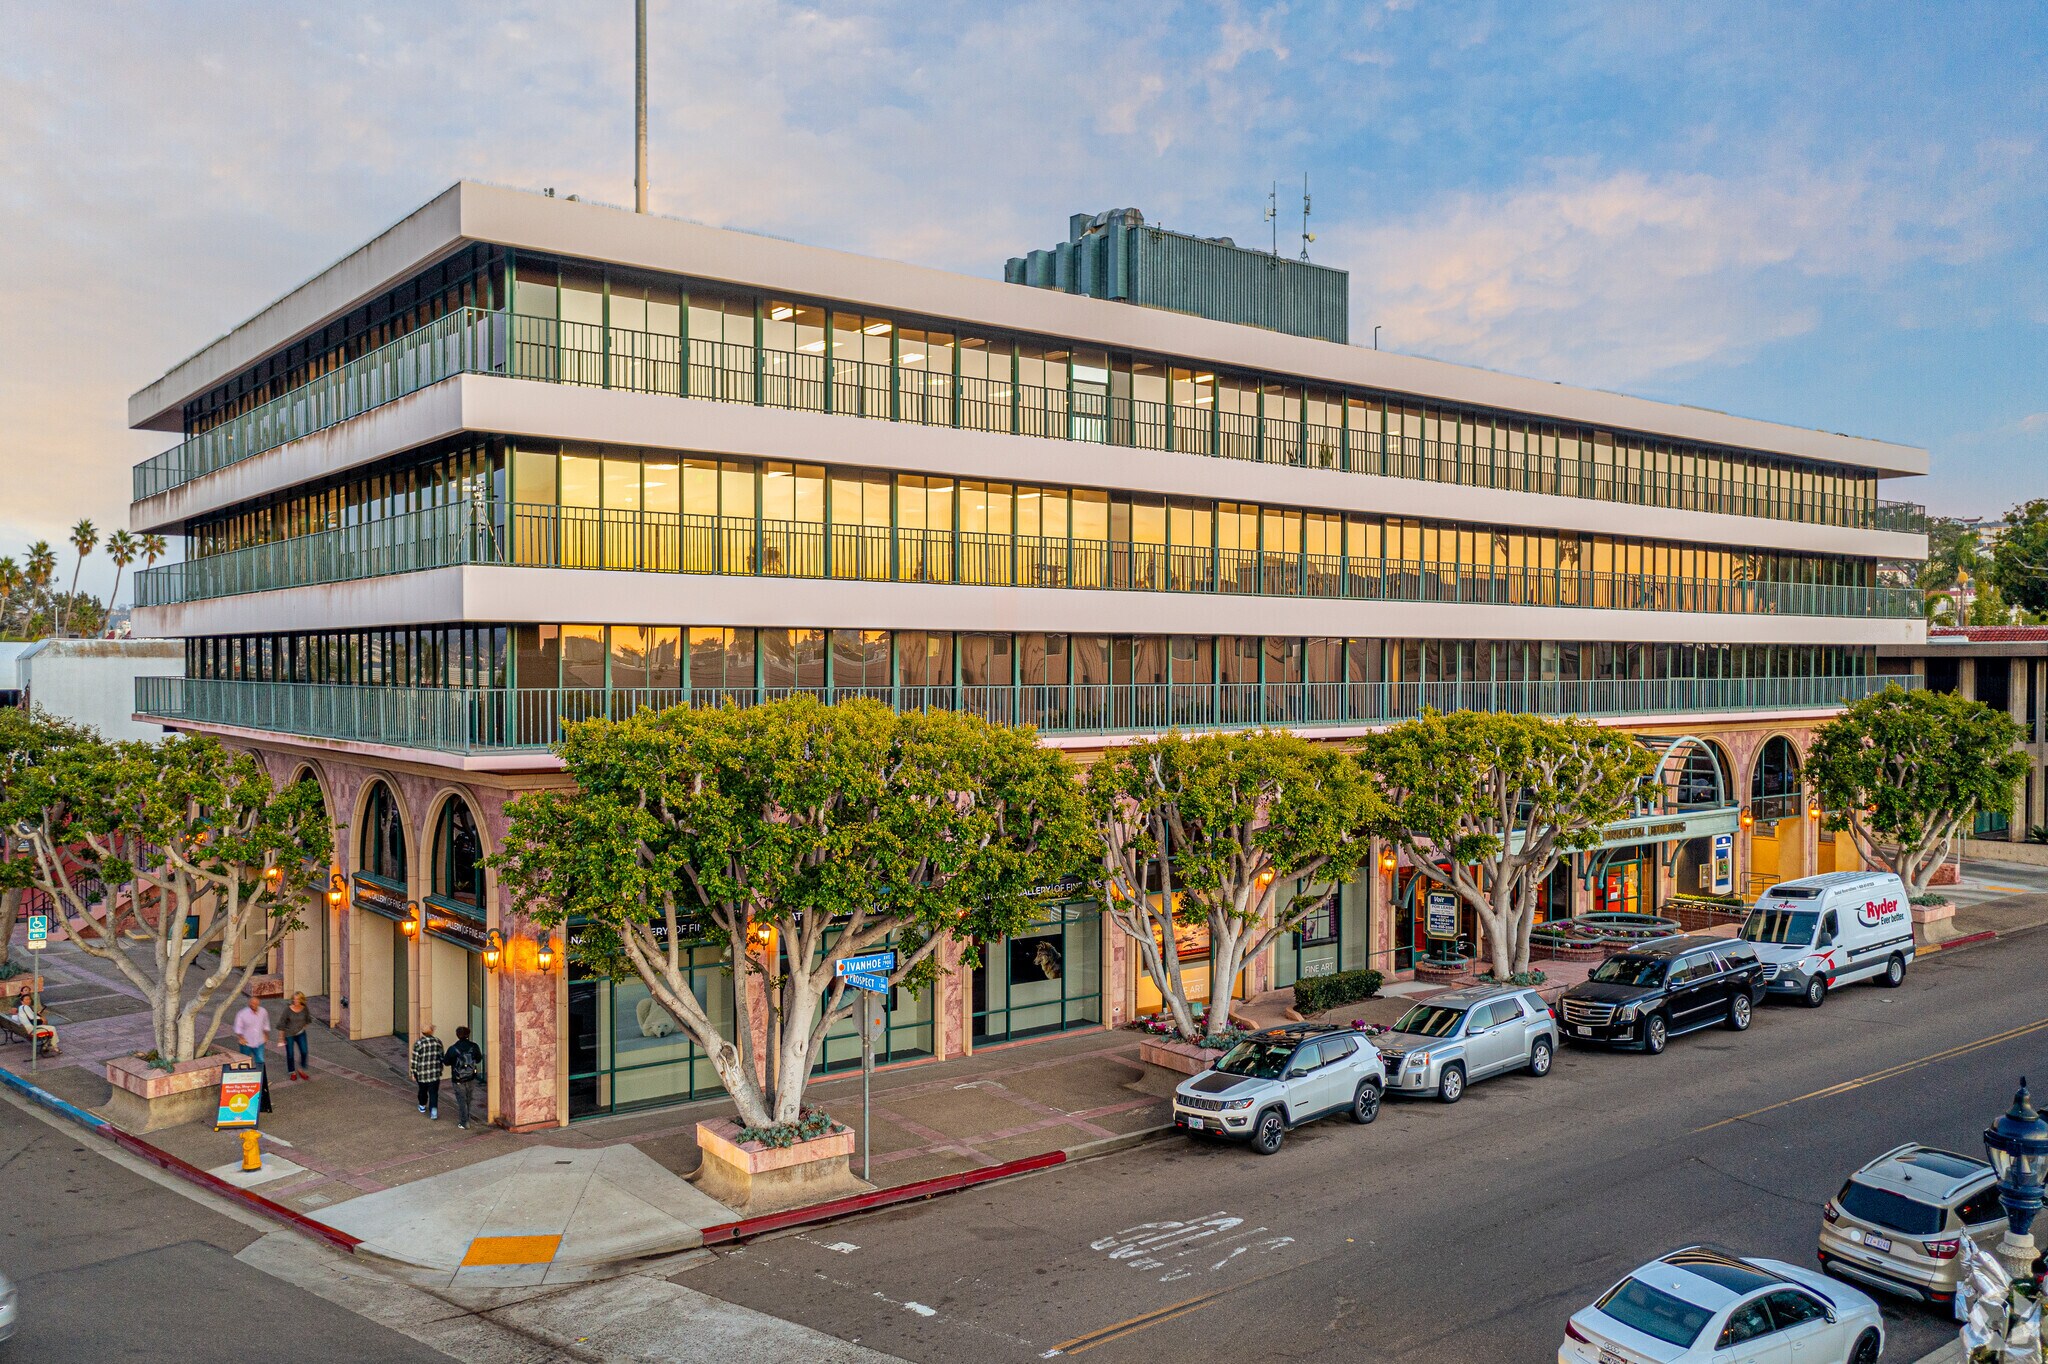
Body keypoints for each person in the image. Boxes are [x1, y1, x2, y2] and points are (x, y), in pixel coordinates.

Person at [443, 1026, 484, 1131]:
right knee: (468, 1098)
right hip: (470, 1077)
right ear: (468, 1035)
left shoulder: (453, 1049)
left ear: (457, 1035)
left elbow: (446, 1062)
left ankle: (464, 1122)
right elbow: (479, 1059)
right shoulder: (474, 1046)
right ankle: (467, 1117)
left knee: (462, 1100)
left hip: (458, 1079)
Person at [410, 1025, 444, 1120]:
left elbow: (415, 1060)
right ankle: (433, 1110)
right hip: (434, 1072)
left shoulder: (419, 1043)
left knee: (422, 1090)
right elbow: (441, 1057)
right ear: (432, 1032)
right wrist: (440, 1069)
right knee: (433, 1092)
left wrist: (413, 1072)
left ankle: (422, 1105)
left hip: (422, 1073)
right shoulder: (438, 1042)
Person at [11, 986, 56, 1055]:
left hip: (26, 1025)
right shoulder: (20, 1003)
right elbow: (15, 1012)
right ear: (21, 993)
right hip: (28, 1026)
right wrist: (39, 1017)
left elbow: (31, 1012)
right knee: (48, 1025)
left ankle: (46, 1042)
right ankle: (48, 1043)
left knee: (44, 1021)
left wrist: (36, 1014)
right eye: (25, 990)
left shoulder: (25, 1004)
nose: (27, 992)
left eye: (28, 991)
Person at [280, 991, 312, 1080]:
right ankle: (292, 1072)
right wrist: (281, 1037)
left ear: (301, 999)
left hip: (301, 1033)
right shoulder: (288, 1009)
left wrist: (302, 1027)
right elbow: (282, 1023)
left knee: (304, 1051)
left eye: (297, 999)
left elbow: (307, 1020)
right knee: (290, 1054)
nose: (295, 1001)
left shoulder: (304, 1009)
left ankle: (300, 1069)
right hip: (289, 1034)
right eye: (294, 999)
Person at [232, 995, 271, 1067]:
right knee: (244, 1062)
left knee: (260, 1061)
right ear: (249, 1004)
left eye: (256, 1004)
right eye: (252, 1003)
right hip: (246, 1042)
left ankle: (261, 1077)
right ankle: (245, 1076)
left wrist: (266, 1035)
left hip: (259, 1041)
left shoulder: (263, 1011)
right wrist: (241, 1037)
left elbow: (266, 1024)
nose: (254, 1005)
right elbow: (238, 1028)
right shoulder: (242, 1014)